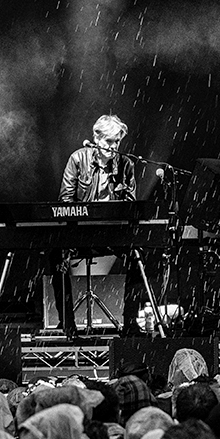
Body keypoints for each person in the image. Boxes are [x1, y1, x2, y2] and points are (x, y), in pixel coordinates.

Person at [57, 114, 146, 336]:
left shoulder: (126, 164)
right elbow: (65, 201)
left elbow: (131, 205)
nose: (113, 147)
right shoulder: (78, 159)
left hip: (113, 234)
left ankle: (130, 324)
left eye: (117, 142)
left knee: (139, 255)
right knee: (56, 255)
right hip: (80, 233)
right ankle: (68, 325)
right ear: (96, 138)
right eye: (109, 141)